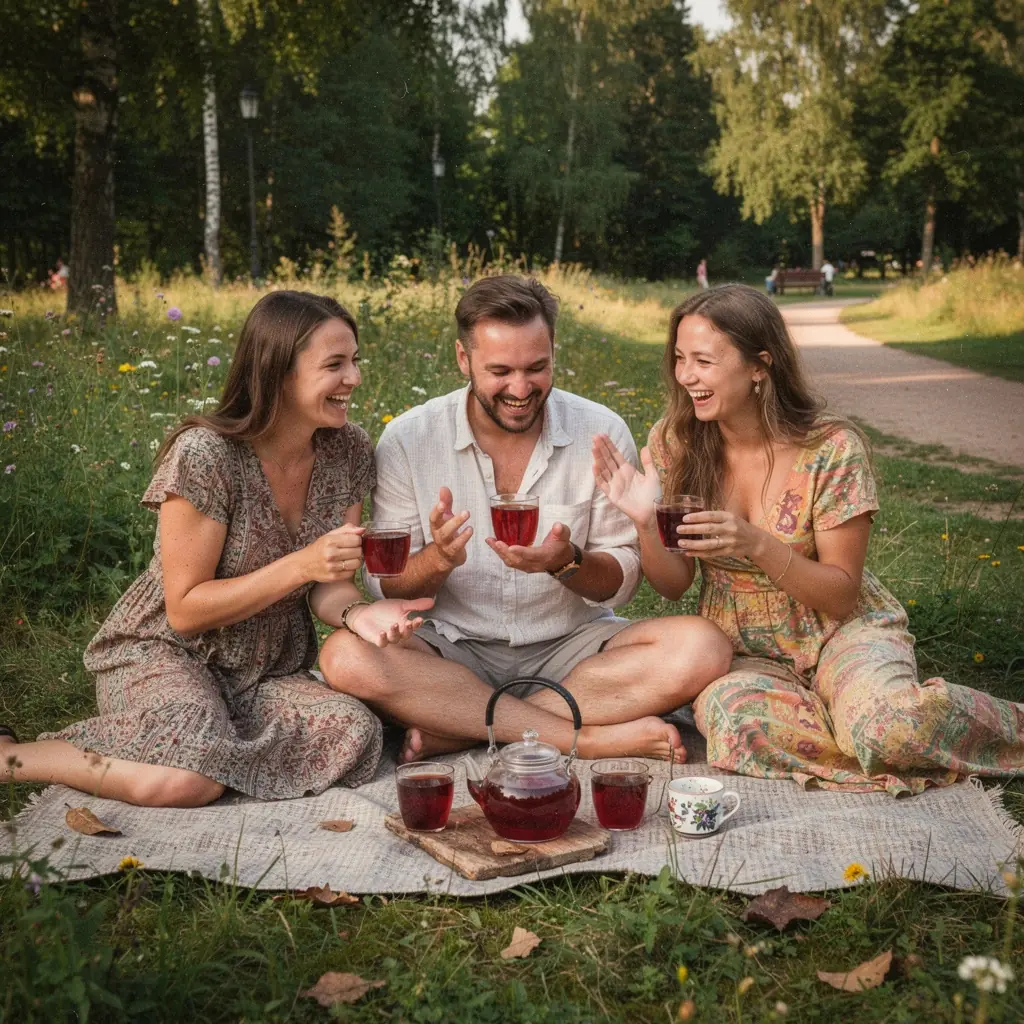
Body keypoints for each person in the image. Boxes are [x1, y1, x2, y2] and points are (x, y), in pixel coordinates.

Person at [0, 291, 432, 807]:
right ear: (278, 372)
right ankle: (14, 758)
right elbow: (184, 610)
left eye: (354, 361)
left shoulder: (349, 449)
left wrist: (359, 612)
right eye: (335, 365)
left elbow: (329, 584)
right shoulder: (206, 455)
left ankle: (206, 744)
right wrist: (299, 565)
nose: (354, 378)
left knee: (352, 729)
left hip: (264, 667)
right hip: (164, 651)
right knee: (188, 781)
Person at [592, 283, 1024, 795]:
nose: (686, 376)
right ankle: (861, 728)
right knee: (732, 724)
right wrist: (645, 522)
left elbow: (842, 593)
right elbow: (673, 585)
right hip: (740, 648)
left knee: (889, 724)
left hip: (840, 631)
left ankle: (911, 725)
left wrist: (755, 543)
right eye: (681, 359)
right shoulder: (676, 441)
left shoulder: (831, 448)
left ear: (760, 365)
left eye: (704, 361)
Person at [320, 275, 732, 764]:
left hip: (574, 651)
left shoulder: (599, 430)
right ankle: (584, 739)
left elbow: (622, 582)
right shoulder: (410, 438)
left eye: (537, 368)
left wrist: (567, 563)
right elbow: (385, 584)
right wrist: (436, 560)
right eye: (500, 371)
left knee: (704, 647)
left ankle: (466, 725)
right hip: (449, 650)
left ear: (554, 352)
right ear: (462, 359)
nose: (520, 388)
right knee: (343, 657)